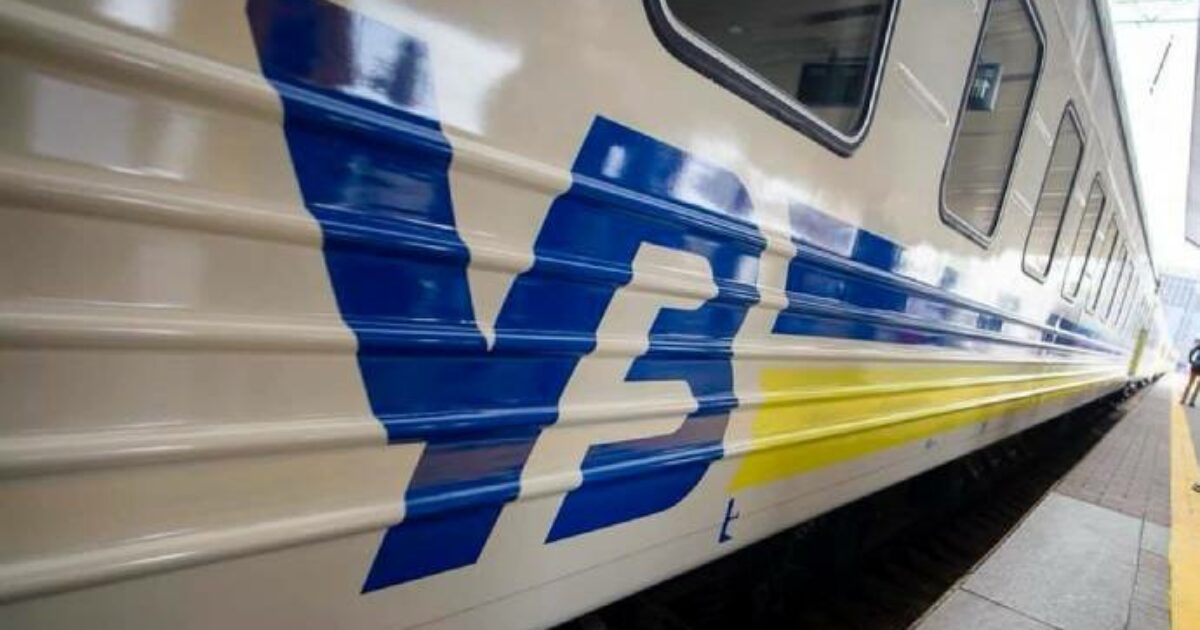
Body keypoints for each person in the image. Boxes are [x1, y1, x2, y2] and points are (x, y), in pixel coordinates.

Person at [1183, 340, 1200, 406]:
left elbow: (1192, 351)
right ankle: (1191, 402)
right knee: (1198, 387)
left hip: (1195, 366)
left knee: (1190, 384)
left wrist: (1190, 360)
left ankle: (1183, 400)